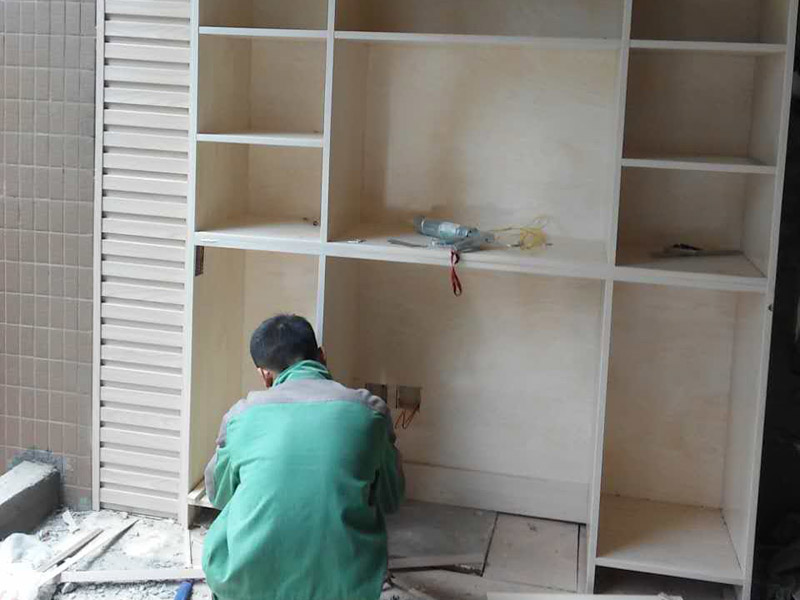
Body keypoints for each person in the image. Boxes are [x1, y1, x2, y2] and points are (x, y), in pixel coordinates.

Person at [202, 314, 405, 600]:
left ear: (264, 374)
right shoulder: (371, 411)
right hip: (345, 587)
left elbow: (219, 495)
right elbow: (391, 498)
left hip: (244, 584)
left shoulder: (240, 416)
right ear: (322, 356)